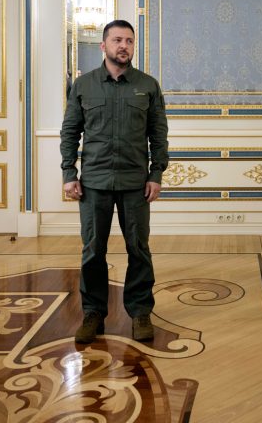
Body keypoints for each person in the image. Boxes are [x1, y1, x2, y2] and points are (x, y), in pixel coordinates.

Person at [60, 19, 169, 344]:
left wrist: (156, 174)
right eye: (118, 40)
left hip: (135, 183)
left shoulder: (148, 85)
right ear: (103, 45)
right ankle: (93, 313)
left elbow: (158, 134)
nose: (124, 46)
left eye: (129, 41)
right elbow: (70, 131)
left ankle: (140, 313)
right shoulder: (84, 85)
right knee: (93, 250)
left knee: (139, 249)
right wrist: (69, 173)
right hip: (94, 182)